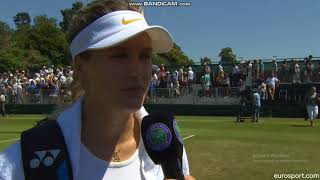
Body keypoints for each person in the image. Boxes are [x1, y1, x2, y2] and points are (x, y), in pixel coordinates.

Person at [0, 1, 195, 180]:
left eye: (145, 56)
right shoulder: (21, 163)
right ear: (80, 66)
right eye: (119, 55)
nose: (137, 71)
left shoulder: (165, 142)